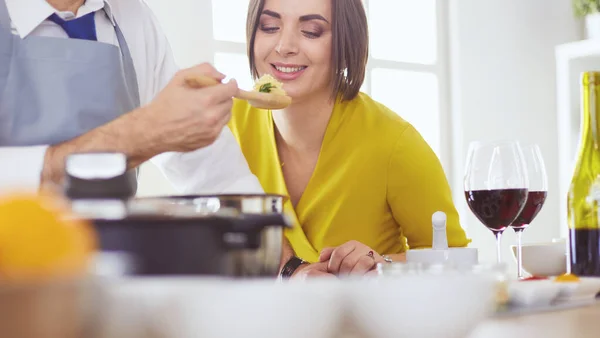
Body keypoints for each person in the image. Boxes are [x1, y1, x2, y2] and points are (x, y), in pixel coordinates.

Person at [228, 0, 470, 278]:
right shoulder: (227, 128)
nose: (285, 46)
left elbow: (459, 260)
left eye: (311, 31)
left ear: (346, 43)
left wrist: (383, 265)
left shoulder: (394, 143)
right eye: (270, 27)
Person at [0, 0, 263, 195]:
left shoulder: (132, 17)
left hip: (110, 261)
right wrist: (136, 137)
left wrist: (289, 268)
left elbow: (217, 174)